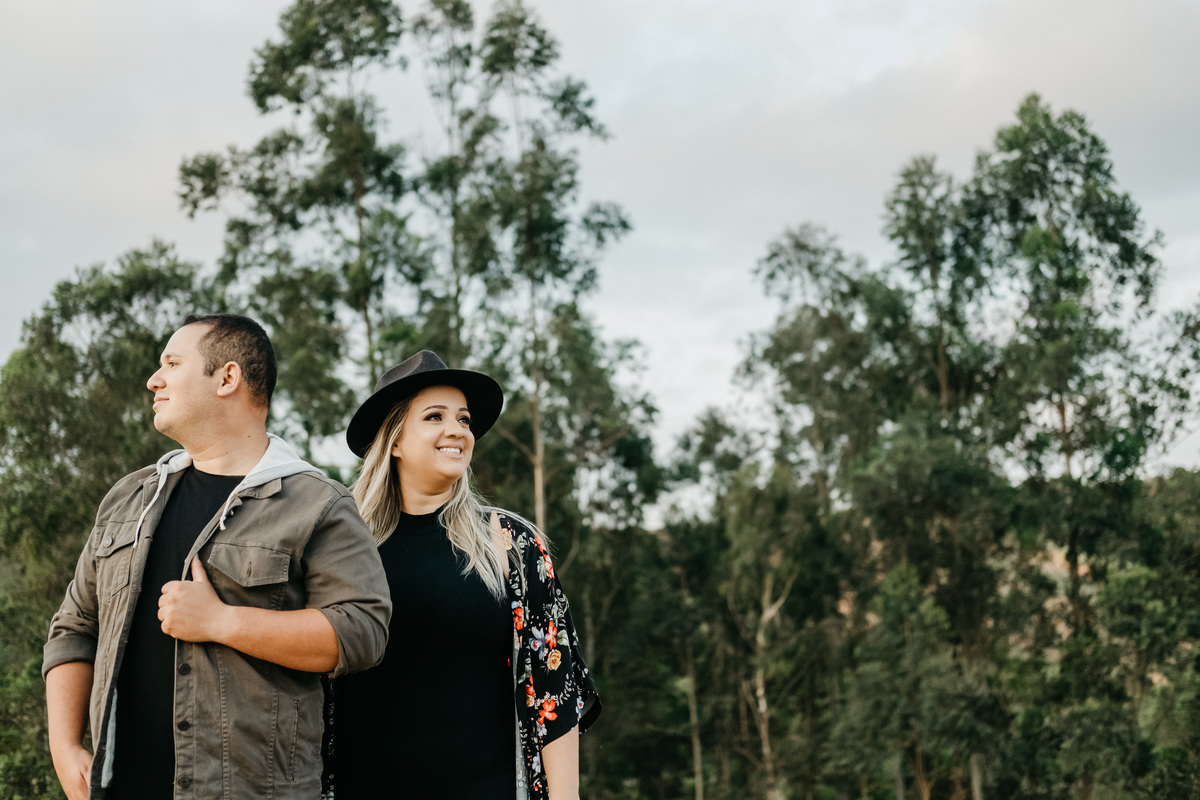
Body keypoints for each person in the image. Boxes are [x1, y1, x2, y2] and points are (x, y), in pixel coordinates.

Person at [43, 314, 393, 800]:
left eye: (171, 363)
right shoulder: (129, 498)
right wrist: (64, 746)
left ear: (227, 378)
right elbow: (75, 628)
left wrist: (222, 622)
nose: (154, 379)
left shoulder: (319, 504)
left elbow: (362, 631)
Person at [331, 350, 600, 800]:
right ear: (394, 440)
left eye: (464, 419)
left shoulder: (510, 544)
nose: (457, 430)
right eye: (434, 417)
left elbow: (556, 693)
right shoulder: (339, 545)